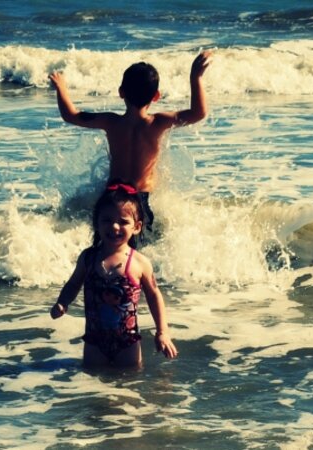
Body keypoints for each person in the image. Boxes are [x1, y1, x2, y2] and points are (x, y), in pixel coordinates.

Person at [48, 51, 212, 235]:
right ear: (156, 96)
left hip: (111, 196)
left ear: (121, 92)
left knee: (103, 245)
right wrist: (195, 77)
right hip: (138, 200)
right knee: (139, 249)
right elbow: (198, 113)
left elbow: (71, 115)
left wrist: (61, 87)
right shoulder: (158, 123)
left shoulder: (111, 122)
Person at [50, 182, 178, 368]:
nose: (115, 226)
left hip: (128, 342)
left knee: (128, 387)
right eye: (107, 220)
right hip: (94, 341)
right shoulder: (89, 258)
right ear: (96, 223)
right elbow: (73, 284)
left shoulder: (139, 262)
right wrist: (62, 302)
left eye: (123, 221)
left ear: (137, 227)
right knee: (94, 386)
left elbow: (154, 295)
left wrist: (162, 332)